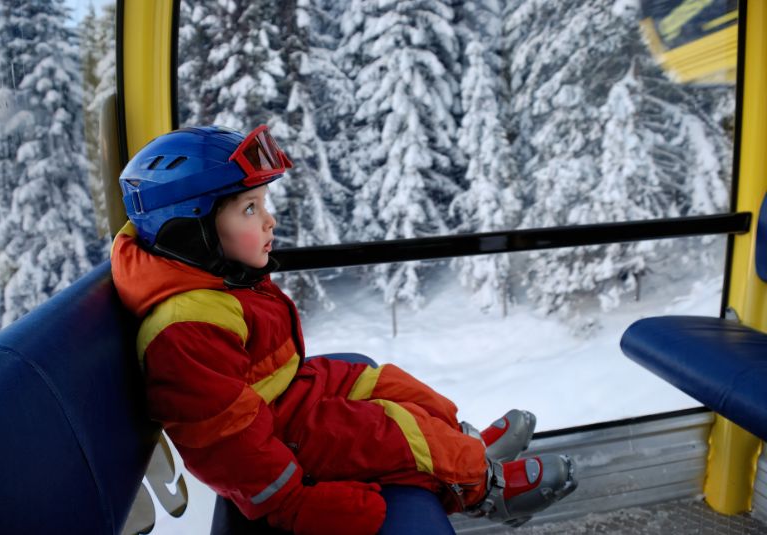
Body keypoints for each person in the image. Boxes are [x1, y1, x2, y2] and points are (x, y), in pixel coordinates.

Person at [111, 125, 577, 534]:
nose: (270, 219)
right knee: (393, 428)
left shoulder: (217, 278)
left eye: (263, 204)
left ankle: (467, 443)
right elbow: (226, 444)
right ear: (190, 231)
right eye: (250, 209)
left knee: (390, 383)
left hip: (289, 392)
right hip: (276, 428)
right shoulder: (185, 327)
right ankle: (486, 488)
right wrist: (294, 505)